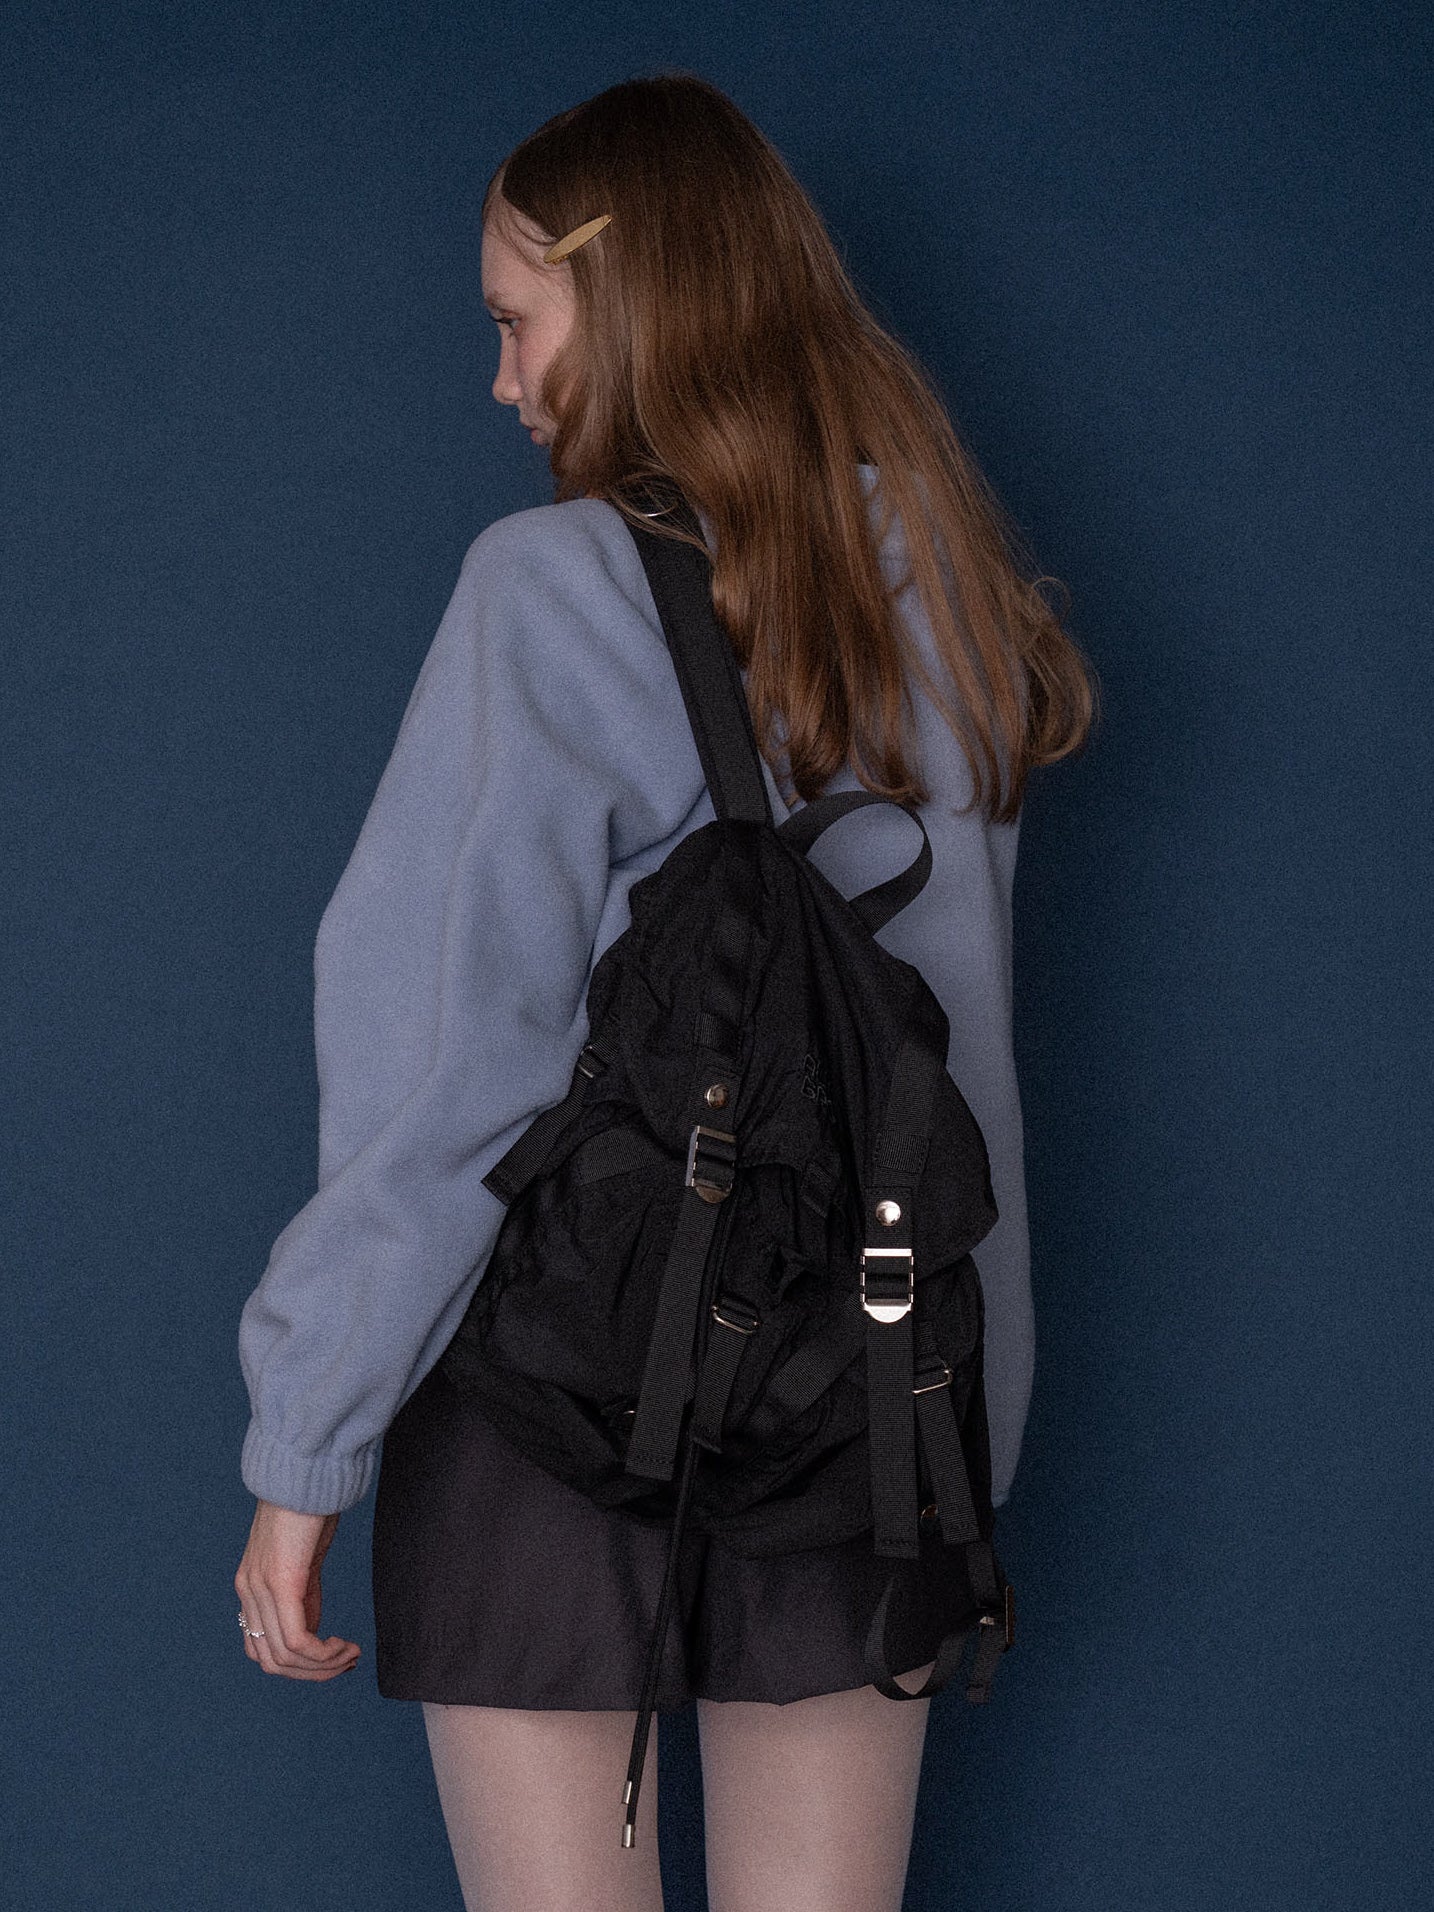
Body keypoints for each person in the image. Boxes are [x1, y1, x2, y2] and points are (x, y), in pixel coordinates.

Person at [234, 71, 1096, 1912]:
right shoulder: (949, 591)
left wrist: (310, 1433)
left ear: (624, 298)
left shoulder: (546, 586)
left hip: (556, 1396)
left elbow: (450, 1067)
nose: (501, 381)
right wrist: (962, 1430)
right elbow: (958, 1072)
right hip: (867, 1393)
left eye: (514, 321)